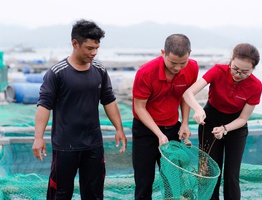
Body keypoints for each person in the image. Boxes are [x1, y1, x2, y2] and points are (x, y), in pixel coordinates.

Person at [32, 19, 127, 200]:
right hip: (65, 146)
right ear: (75, 43)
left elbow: (109, 100)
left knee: (94, 194)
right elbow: (44, 105)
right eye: (89, 48)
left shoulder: (99, 69)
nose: (94, 53)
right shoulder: (57, 72)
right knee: (60, 194)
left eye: (97, 48)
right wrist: (38, 138)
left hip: (93, 144)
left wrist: (119, 129)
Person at [183, 43, 262, 200]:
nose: (238, 74)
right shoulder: (218, 71)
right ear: (231, 60)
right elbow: (188, 93)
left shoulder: (256, 86)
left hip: (235, 126)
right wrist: (198, 109)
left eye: (245, 72)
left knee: (232, 175)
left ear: (253, 69)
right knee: (208, 173)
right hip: (210, 122)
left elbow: (243, 118)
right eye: (235, 68)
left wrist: (225, 128)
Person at [131, 33, 199, 199]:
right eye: (173, 62)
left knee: (172, 179)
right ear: (163, 52)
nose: (177, 68)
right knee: (144, 179)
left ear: (190, 53)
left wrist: (184, 123)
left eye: (182, 63)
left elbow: (186, 95)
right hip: (145, 130)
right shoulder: (146, 73)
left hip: (172, 128)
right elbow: (139, 107)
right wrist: (159, 134)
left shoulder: (192, 68)